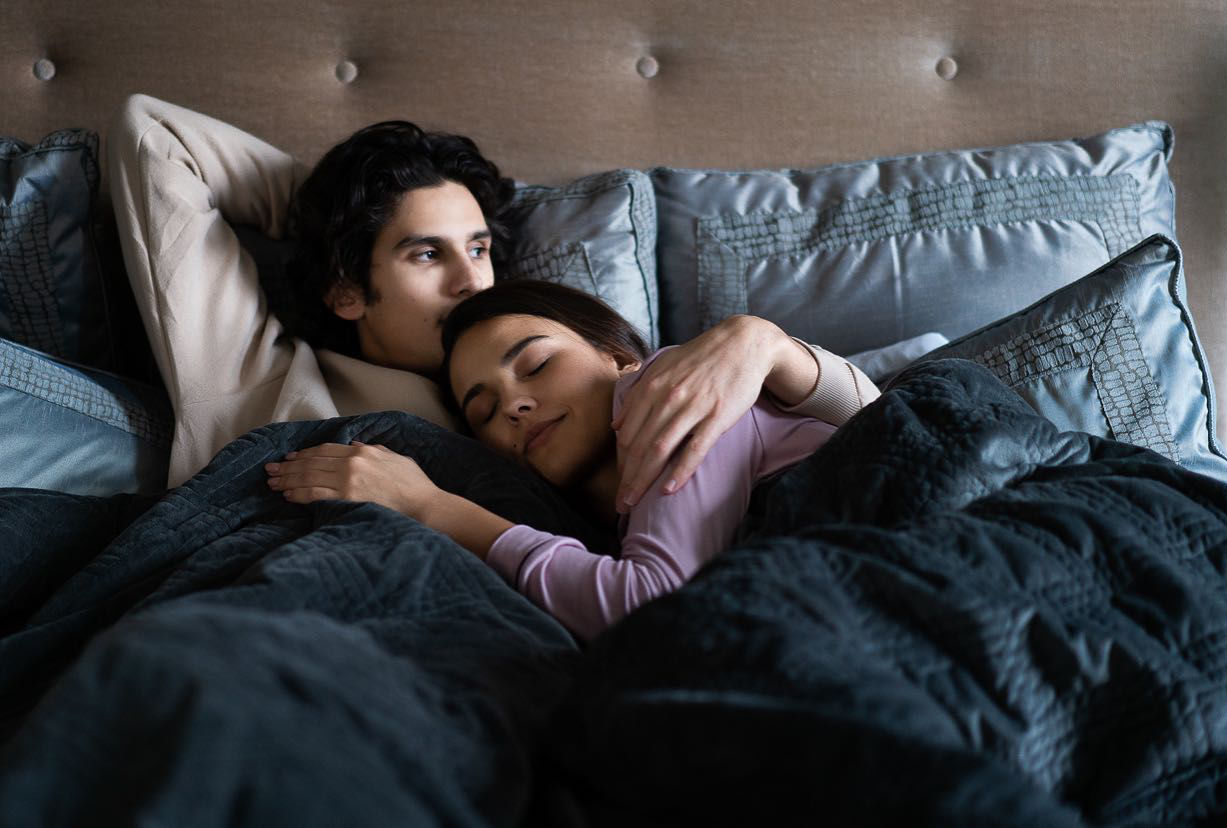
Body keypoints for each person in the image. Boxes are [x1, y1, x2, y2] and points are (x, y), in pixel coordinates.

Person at [110, 94, 869, 509]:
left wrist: (762, 343)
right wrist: (334, 218)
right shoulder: (259, 374)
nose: (472, 283)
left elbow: (867, 435)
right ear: (346, 290)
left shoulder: (566, 390)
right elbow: (152, 132)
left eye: (478, 249)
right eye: (425, 253)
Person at [264, 280, 880, 640]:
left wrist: (429, 504)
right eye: (483, 412)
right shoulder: (598, 519)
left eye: (535, 365)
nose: (514, 406)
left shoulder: (665, 387)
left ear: (616, 356)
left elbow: (649, 606)